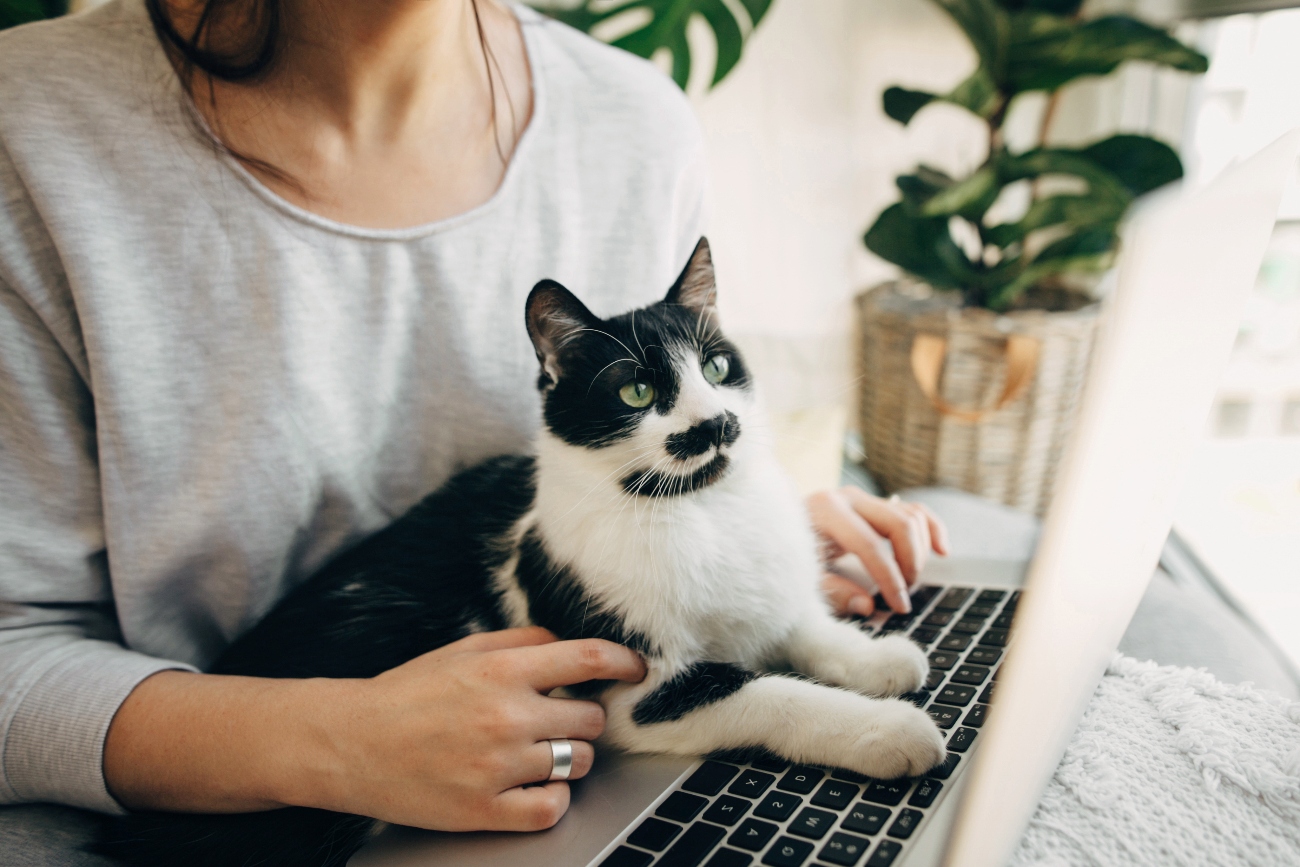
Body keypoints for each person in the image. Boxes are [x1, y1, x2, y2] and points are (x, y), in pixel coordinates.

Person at [0, 0, 947, 858]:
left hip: (599, 774)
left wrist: (729, 529)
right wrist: (338, 743)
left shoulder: (635, 123)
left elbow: (641, 440)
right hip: (217, 830)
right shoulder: (31, 125)